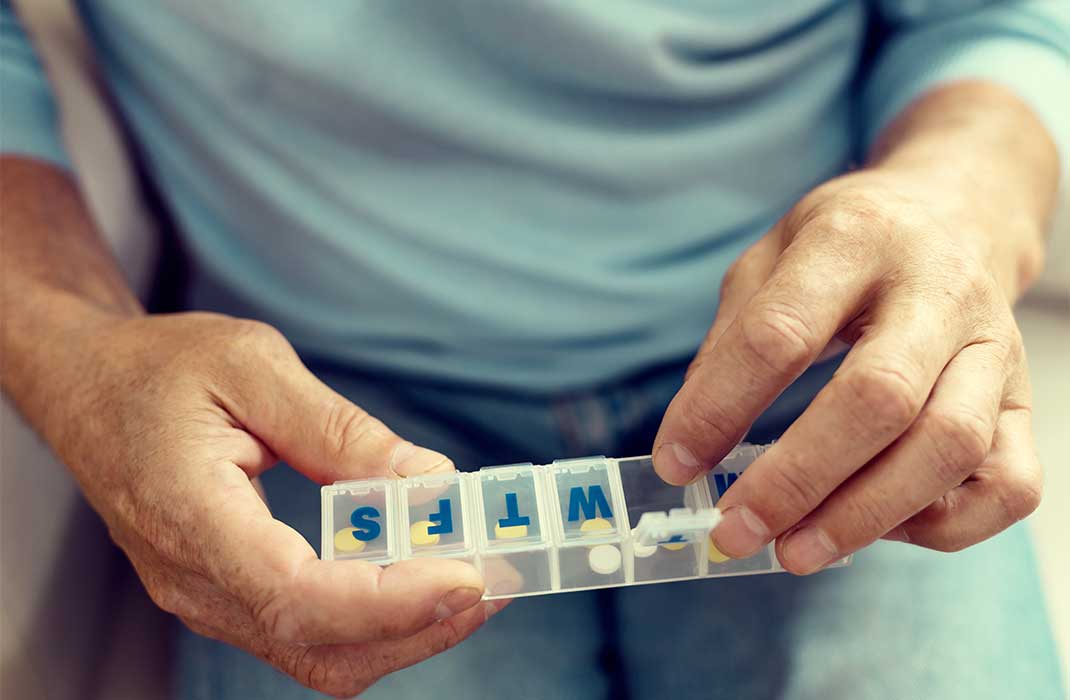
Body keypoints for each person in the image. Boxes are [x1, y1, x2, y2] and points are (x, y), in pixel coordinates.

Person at [2, 1, 1066, 698]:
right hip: (316, 404)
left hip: (812, 364)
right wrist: (68, 336)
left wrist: (955, 198)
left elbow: (987, 18)